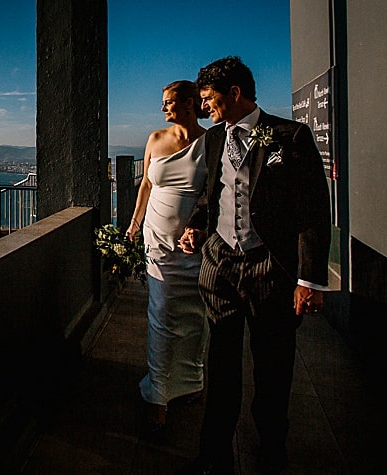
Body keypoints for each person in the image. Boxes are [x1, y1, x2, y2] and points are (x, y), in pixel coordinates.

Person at [178, 56, 331, 475]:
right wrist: (196, 227)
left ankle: (272, 455)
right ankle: (214, 457)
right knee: (221, 364)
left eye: (210, 100)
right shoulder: (212, 140)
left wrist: (309, 279)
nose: (205, 108)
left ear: (235, 93)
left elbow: (313, 211)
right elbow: (212, 195)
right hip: (220, 265)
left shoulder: (291, 136)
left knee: (273, 367)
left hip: (270, 268)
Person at [126, 80, 209, 430]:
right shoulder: (156, 139)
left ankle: (190, 380)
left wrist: (201, 229)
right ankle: (158, 391)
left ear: (190, 103)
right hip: (157, 239)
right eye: (163, 103)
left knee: (195, 315)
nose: (164, 109)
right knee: (161, 311)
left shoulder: (212, 143)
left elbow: (217, 193)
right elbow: (146, 183)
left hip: (194, 244)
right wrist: (134, 224)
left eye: (170, 102)